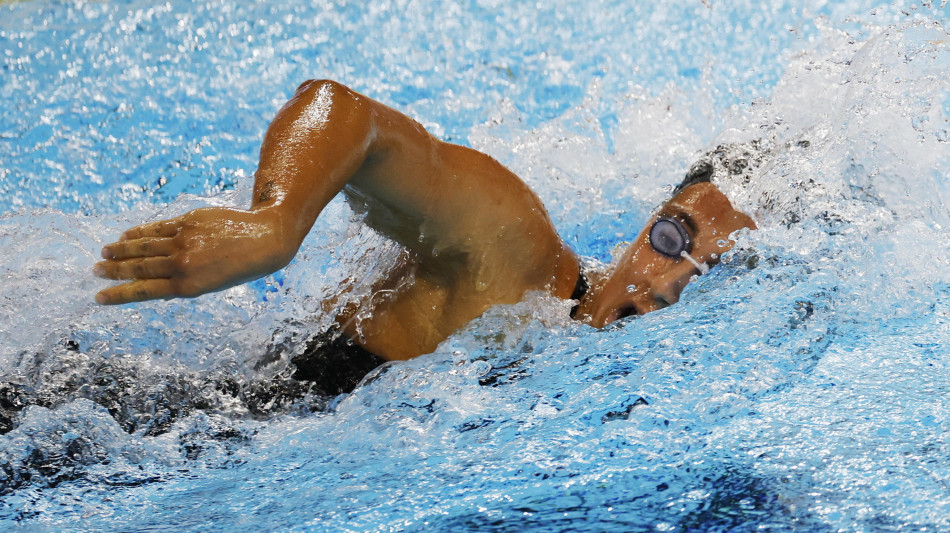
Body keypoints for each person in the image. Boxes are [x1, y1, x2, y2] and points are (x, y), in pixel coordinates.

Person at [93, 79, 756, 365]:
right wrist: (273, 223)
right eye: (673, 241)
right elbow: (344, 111)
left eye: (704, 280)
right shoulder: (516, 254)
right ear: (643, 230)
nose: (664, 286)